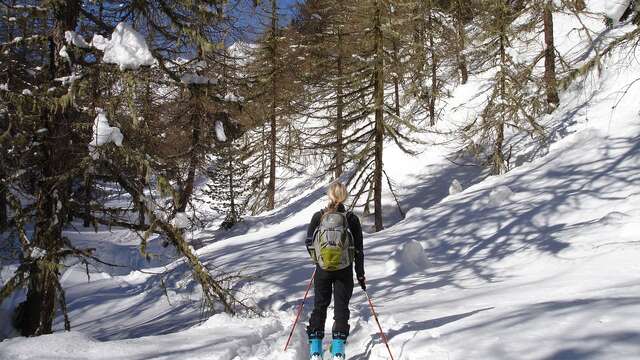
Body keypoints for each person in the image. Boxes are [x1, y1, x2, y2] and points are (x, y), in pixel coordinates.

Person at [305, 181, 365, 360]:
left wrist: (318, 260)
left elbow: (309, 241)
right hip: (344, 270)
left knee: (319, 306)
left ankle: (316, 351)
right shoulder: (351, 218)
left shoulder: (319, 216)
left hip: (322, 270)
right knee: (341, 308)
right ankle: (338, 350)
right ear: (344, 196)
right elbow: (358, 249)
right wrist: (360, 274)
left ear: (329, 196)